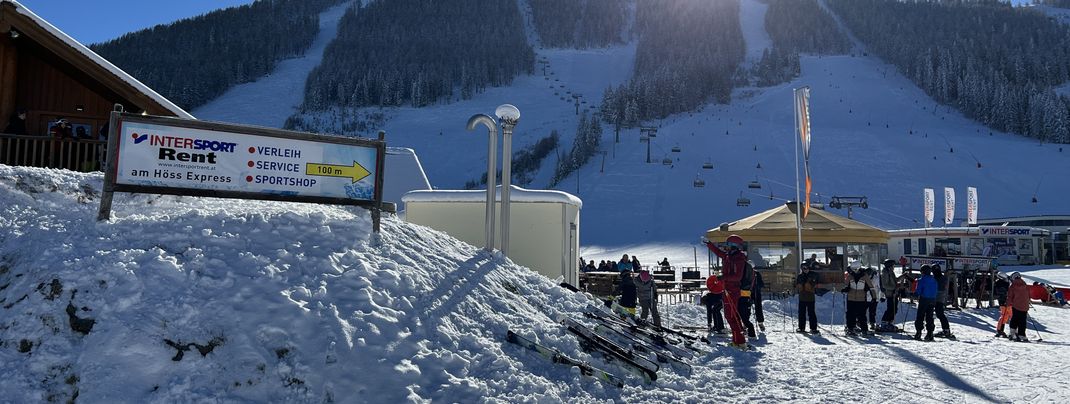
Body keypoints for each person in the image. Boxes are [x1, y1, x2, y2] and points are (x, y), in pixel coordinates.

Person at [704, 235, 748, 348]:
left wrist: (723, 277)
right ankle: (737, 340)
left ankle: (740, 341)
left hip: (732, 290)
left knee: (731, 316)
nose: (726, 248)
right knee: (732, 316)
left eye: (728, 245)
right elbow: (719, 253)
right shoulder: (729, 256)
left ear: (734, 246)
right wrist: (709, 244)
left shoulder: (738, 259)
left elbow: (737, 277)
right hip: (727, 289)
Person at [843, 265, 878, 336]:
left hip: (861, 298)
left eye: (854, 269)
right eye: (853, 270)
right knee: (850, 314)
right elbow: (845, 285)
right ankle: (850, 328)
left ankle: (864, 330)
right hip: (851, 298)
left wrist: (874, 297)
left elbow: (871, 287)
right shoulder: (850, 276)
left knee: (862, 315)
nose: (853, 271)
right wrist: (845, 289)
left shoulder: (864, 276)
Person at [914, 265, 938, 341]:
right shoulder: (934, 280)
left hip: (924, 299)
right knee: (929, 316)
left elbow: (918, 291)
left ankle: (918, 332)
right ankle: (930, 333)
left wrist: (914, 294)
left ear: (923, 272)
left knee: (920, 315)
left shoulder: (921, 280)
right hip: (932, 299)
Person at [1006, 272, 1031, 342]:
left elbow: (1010, 296)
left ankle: (1012, 333)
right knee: (1022, 320)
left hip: (1016, 305)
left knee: (1014, 319)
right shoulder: (1025, 284)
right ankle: (1022, 334)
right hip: (1025, 305)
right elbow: (1029, 295)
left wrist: (1008, 303)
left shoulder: (1013, 285)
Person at [931, 265, 955, 339]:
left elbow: (940, 288)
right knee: (939, 314)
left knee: (938, 314)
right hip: (938, 298)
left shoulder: (937, 278)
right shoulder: (942, 277)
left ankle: (945, 330)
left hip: (936, 298)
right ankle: (945, 330)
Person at [796, 262, 820, 333]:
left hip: (810, 297)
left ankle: (813, 328)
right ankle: (801, 327)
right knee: (801, 313)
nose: (805, 270)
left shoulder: (813, 275)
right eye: (804, 268)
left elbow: (816, 282)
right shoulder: (800, 276)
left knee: (811, 313)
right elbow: (798, 285)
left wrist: (812, 282)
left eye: (806, 268)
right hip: (802, 297)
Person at [878, 259, 900, 331]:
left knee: (894, 309)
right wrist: (894, 287)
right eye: (893, 265)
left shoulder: (890, 272)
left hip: (894, 293)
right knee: (890, 308)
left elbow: (894, 281)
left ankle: (889, 322)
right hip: (890, 293)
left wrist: (902, 277)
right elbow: (885, 285)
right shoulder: (885, 273)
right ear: (889, 266)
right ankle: (884, 322)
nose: (894, 267)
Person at [738, 261, 756, 338]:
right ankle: (747, 330)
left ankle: (751, 333)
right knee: (745, 315)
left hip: (743, 296)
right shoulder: (752, 274)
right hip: (746, 296)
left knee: (744, 316)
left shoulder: (748, 275)